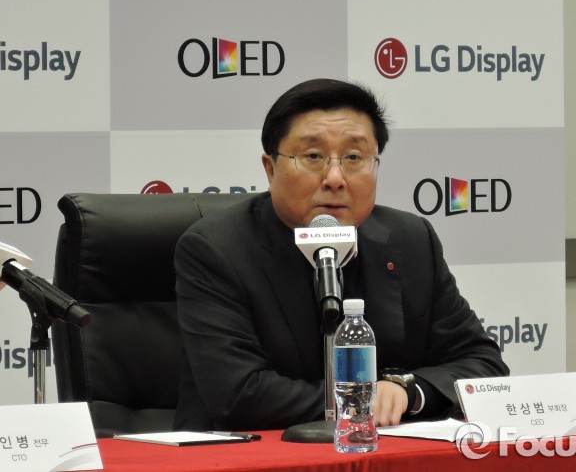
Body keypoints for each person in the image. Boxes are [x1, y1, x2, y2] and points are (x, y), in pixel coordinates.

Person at [173, 78, 509, 431]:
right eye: (313, 157)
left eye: (353, 158)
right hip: (251, 453)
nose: (335, 177)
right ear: (270, 169)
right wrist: (365, 398)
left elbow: (483, 364)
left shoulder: (410, 240)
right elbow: (239, 395)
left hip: (382, 452)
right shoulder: (216, 250)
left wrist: (408, 392)